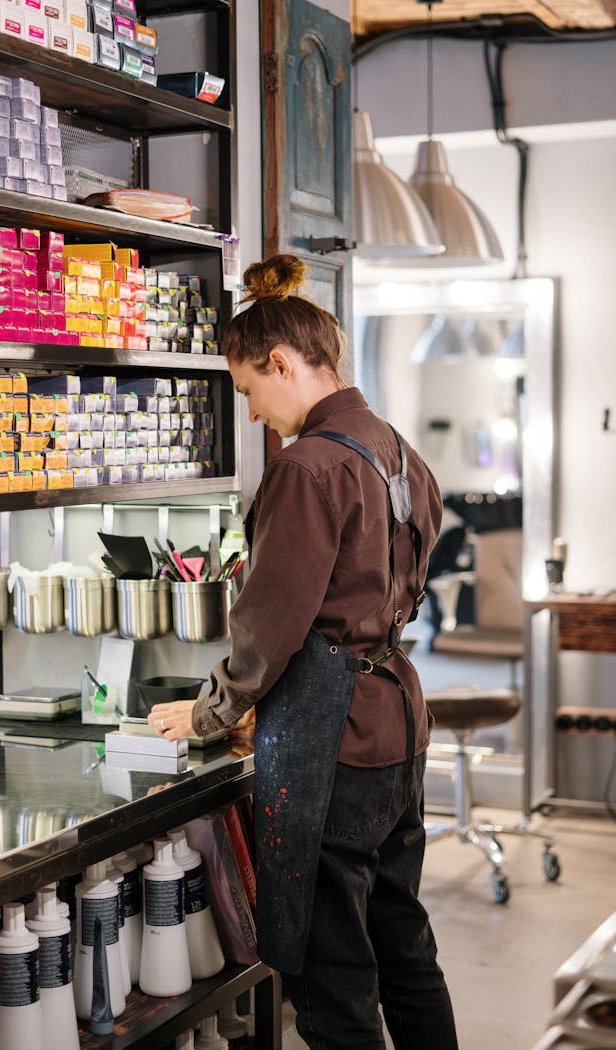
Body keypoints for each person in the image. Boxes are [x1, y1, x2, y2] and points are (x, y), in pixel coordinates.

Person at [148, 254, 458, 1050]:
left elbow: (270, 625)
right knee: (405, 947)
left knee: (332, 979)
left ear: (281, 363)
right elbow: (400, 580)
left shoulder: (306, 468)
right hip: (397, 725)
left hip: (334, 746)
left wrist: (216, 710)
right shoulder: (397, 452)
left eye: (250, 390)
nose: (252, 412)